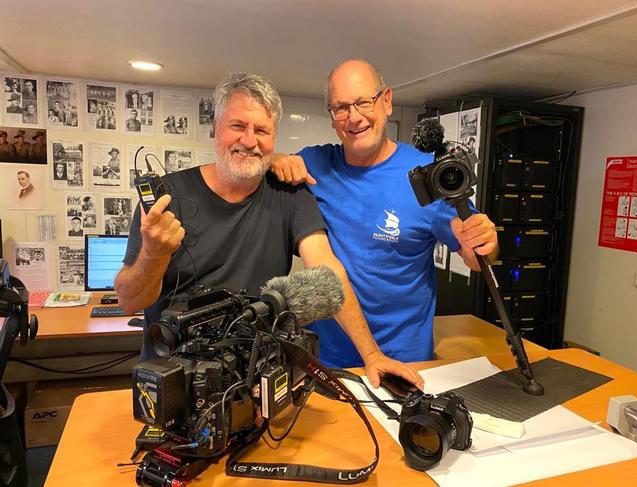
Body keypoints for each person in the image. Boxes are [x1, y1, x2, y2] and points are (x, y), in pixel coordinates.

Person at [115, 72, 422, 388]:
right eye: (238, 126)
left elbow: (328, 271)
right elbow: (129, 301)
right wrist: (154, 252)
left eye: (261, 130)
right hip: (172, 385)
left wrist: (372, 355)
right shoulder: (166, 198)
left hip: (255, 382)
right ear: (215, 128)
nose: (249, 140)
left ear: (274, 138)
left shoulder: (290, 196)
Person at [271, 59, 498, 368]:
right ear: (332, 117)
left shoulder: (425, 175)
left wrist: (484, 242)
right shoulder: (314, 164)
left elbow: (476, 257)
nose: (354, 118)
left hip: (404, 363)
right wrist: (277, 159)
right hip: (327, 360)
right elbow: (265, 169)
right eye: (341, 107)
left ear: (387, 101)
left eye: (364, 102)